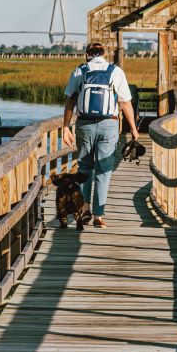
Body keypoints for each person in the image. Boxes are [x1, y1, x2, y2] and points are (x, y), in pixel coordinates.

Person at [62, 42, 139, 228]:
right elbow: (125, 103)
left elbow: (70, 101)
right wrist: (134, 129)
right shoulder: (115, 71)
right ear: (104, 54)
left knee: (84, 168)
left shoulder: (80, 71)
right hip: (109, 125)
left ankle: (84, 210)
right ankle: (98, 216)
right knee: (103, 171)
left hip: (84, 125)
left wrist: (65, 127)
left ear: (87, 54)